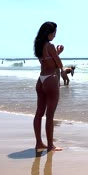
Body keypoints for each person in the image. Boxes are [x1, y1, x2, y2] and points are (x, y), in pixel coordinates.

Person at [33, 21, 64, 152]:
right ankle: (50, 145)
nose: (55, 36)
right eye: (54, 33)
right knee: (50, 115)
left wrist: (56, 53)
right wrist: (58, 52)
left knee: (39, 113)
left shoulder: (39, 46)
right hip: (51, 79)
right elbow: (58, 63)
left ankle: (39, 143)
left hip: (41, 80)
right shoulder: (50, 46)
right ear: (49, 33)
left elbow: (47, 62)